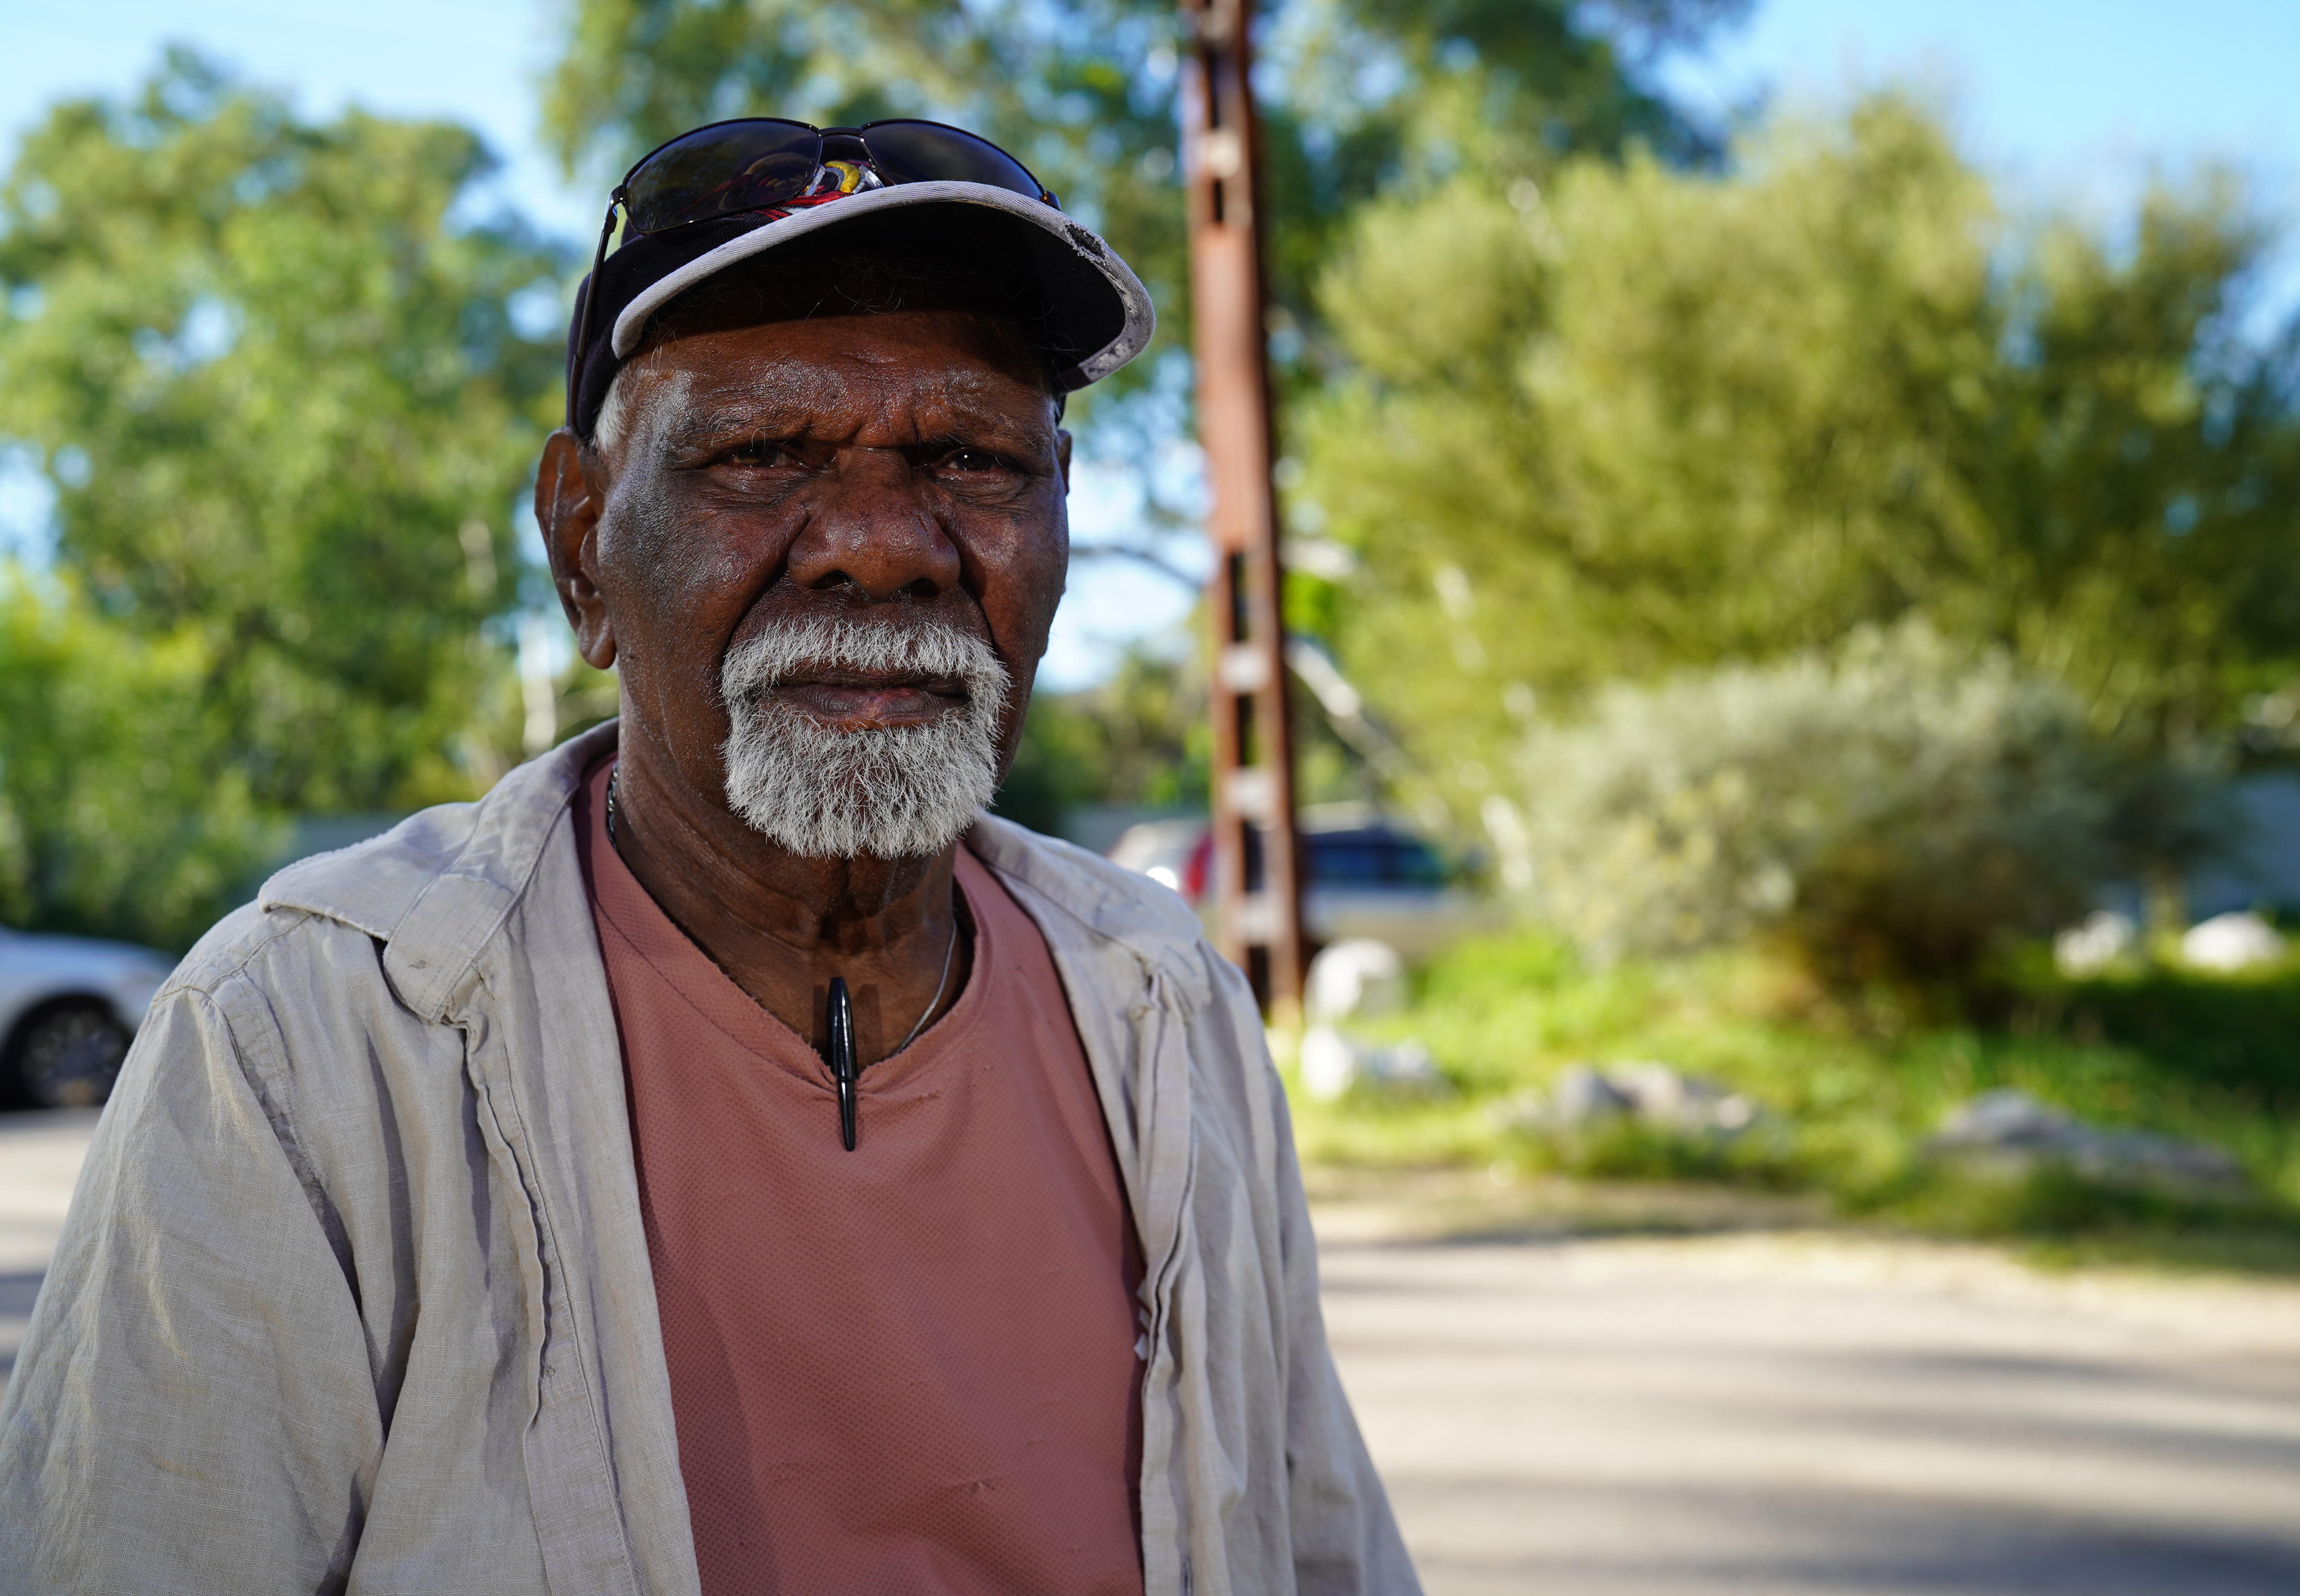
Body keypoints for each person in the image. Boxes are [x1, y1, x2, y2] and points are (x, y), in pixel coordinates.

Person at [0, 117, 1418, 1595]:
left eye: (971, 458)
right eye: (759, 456)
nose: (881, 543)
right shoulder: (309, 1041)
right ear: (582, 546)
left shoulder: (1163, 1005)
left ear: (1056, 528)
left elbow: (1324, 1554)